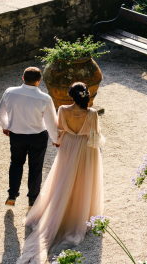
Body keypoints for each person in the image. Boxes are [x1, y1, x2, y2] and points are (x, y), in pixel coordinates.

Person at [17, 82, 105, 264]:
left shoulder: (63, 109)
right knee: (84, 179)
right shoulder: (92, 113)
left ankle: (60, 208)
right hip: (86, 149)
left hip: (68, 146)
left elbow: (60, 130)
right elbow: (95, 137)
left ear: (71, 96)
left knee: (63, 178)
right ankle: (79, 212)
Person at [0, 67, 58, 207]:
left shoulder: (9, 92)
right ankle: (33, 198)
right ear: (39, 81)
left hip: (16, 135)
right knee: (35, 167)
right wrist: (56, 139)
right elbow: (51, 122)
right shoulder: (45, 98)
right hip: (37, 137)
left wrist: (5, 126)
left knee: (16, 164)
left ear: (23, 78)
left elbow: (1, 113)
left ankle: (12, 194)